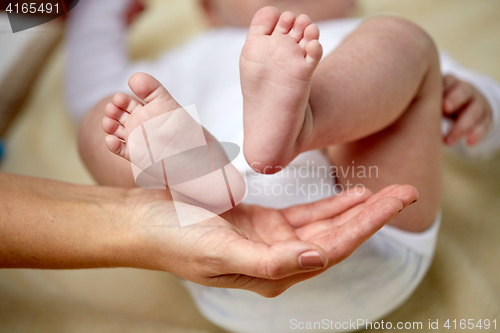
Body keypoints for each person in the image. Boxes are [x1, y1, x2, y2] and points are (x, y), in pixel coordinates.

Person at [66, 1, 500, 332]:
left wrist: (476, 106)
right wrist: (101, 9)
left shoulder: (356, 33)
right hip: (206, 246)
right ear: (209, 10)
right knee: (106, 113)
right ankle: (199, 179)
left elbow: (478, 122)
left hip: (371, 221)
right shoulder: (188, 56)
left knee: (405, 40)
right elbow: (90, 85)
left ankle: (304, 121)